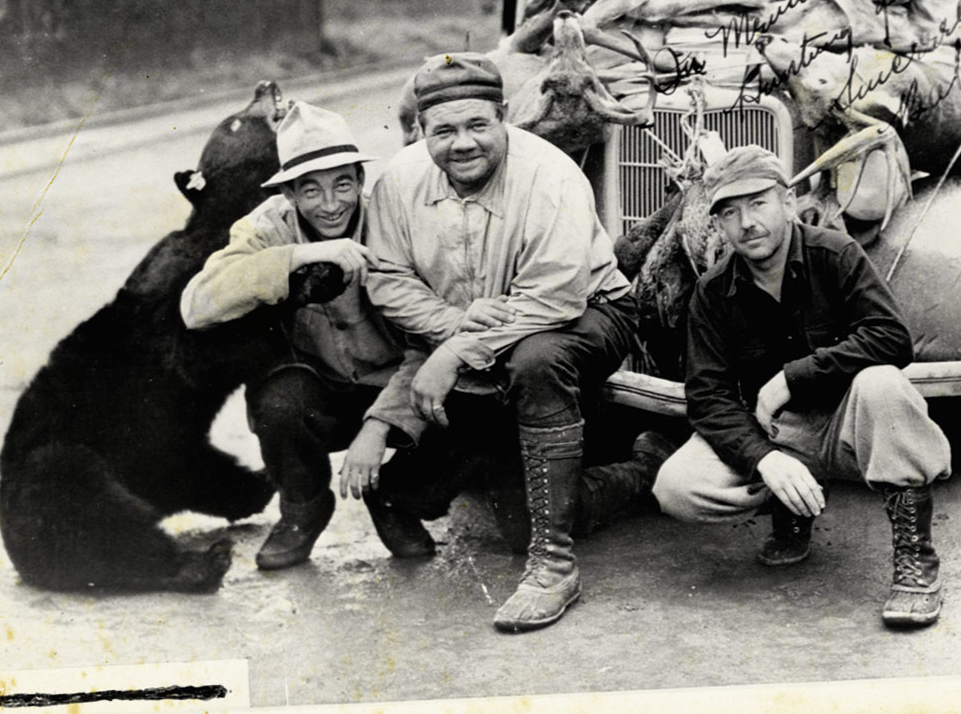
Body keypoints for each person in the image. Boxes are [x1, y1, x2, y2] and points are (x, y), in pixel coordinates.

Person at [365, 53, 669, 633]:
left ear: (504, 116)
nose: (463, 144)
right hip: (475, 329)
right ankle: (613, 466)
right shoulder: (398, 181)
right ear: (421, 130)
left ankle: (557, 563)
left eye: (478, 124)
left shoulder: (550, 175)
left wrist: (456, 351)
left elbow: (556, 298)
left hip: (586, 314)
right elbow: (387, 278)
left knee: (536, 360)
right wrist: (454, 323)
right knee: (509, 515)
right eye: (443, 130)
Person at [651, 146, 954, 629]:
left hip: (848, 426)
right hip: (778, 435)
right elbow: (708, 398)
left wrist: (794, 377)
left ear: (787, 202)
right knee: (677, 486)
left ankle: (916, 558)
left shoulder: (835, 255)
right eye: (729, 212)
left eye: (758, 203)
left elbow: (891, 337)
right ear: (719, 224)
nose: (747, 223)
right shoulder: (712, 292)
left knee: (883, 384)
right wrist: (763, 458)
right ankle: (791, 506)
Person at [180, 101, 435, 570]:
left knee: (457, 401)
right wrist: (298, 256)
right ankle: (303, 506)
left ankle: (397, 499)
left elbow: (430, 341)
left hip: (394, 381)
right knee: (278, 404)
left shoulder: (395, 221)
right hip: (318, 389)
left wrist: (381, 425)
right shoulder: (267, 225)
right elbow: (197, 306)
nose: (331, 204)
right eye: (311, 190)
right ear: (290, 194)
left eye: (343, 184)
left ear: (361, 180)